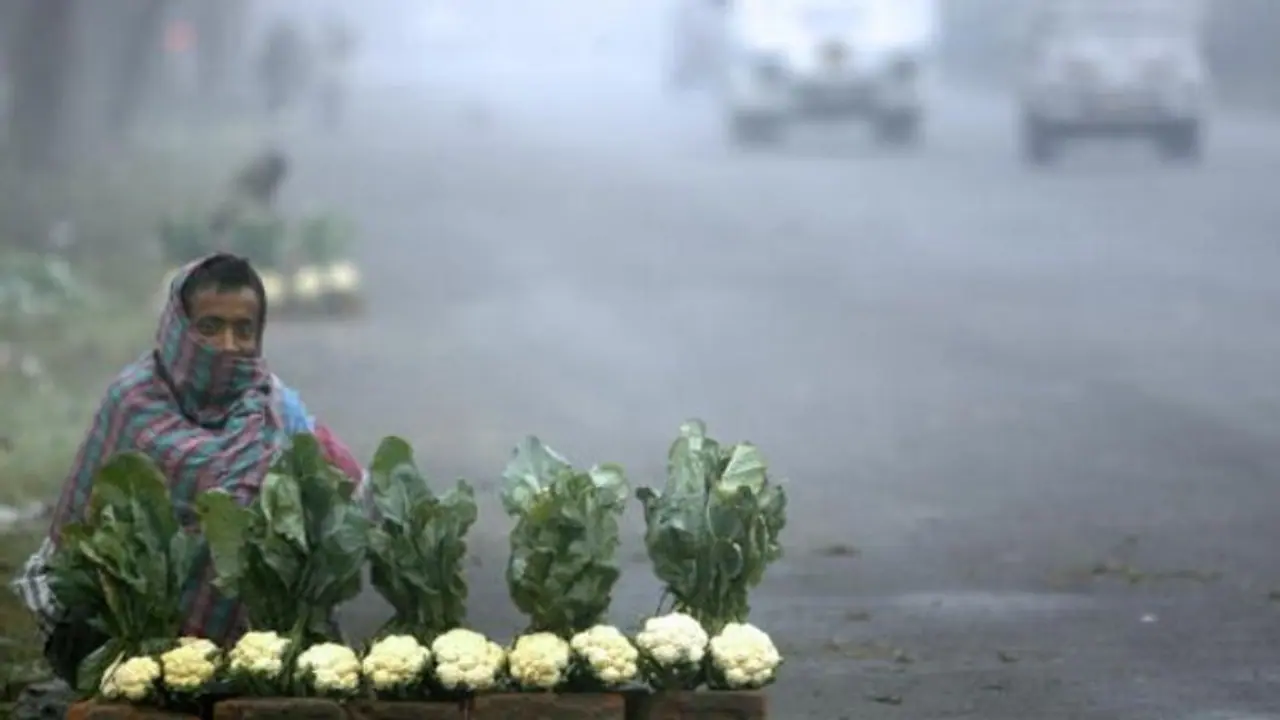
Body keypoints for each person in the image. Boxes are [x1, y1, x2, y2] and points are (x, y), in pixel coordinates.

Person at [9, 253, 364, 688]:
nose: (229, 345)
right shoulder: (132, 404)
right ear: (178, 328)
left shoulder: (276, 409)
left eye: (244, 330)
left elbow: (350, 487)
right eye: (210, 328)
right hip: (130, 637)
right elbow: (77, 536)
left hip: (255, 648)